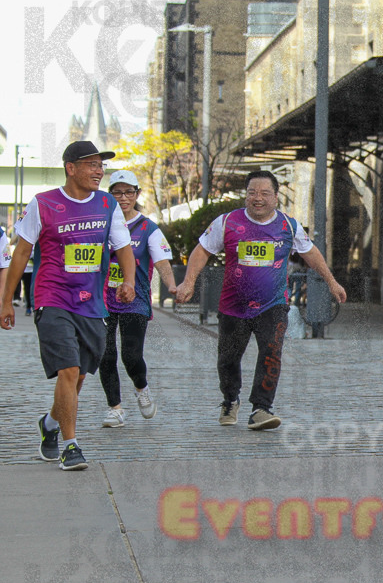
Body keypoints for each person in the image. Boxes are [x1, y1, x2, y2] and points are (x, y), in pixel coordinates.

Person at [0, 141, 136, 471]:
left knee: (78, 377)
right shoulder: (43, 203)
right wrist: (7, 301)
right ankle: (70, 445)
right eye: (91, 164)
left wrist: (129, 281)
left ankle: (49, 423)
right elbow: (21, 253)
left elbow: (123, 247)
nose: (99, 171)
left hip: (92, 303)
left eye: (100, 165)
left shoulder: (107, 204)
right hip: (52, 297)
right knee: (69, 369)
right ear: (70, 168)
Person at [175, 170, 346, 430]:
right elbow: (202, 251)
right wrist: (188, 282)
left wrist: (332, 282)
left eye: (265, 193)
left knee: (271, 353)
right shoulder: (227, 222)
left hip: (273, 305)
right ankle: (230, 399)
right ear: (246, 196)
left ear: (276, 197)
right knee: (228, 359)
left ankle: (261, 408)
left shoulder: (289, 226)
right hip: (233, 306)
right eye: (252, 193)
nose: (258, 198)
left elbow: (311, 254)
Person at [99, 170, 178, 428]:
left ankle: (141, 387)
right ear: (108, 196)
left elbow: (163, 262)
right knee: (105, 354)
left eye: (128, 192)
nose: (123, 198)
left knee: (131, 356)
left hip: (135, 299)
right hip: (101, 299)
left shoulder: (148, 228)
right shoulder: (99, 223)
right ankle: (115, 408)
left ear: (137, 195)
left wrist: (172, 286)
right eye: (117, 192)